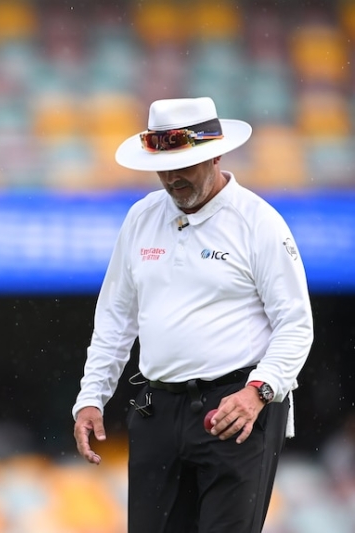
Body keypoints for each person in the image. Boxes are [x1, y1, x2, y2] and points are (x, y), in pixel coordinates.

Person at [72, 96, 313, 533]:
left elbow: (295, 324)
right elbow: (114, 319)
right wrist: (92, 397)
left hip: (237, 408)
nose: (172, 178)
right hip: (155, 408)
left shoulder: (259, 223)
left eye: (185, 163)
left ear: (216, 154)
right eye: (163, 166)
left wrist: (258, 392)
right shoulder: (140, 218)